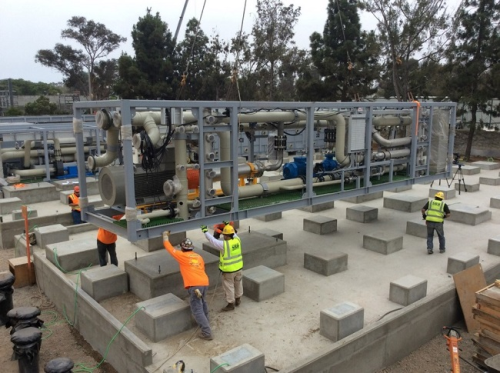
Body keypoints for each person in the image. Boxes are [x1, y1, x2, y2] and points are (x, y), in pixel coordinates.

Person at [162, 231, 213, 340]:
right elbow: (202, 268)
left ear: (182, 248)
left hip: (194, 286)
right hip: (204, 282)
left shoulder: (182, 255)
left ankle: (206, 332)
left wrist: (165, 235)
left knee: (197, 308)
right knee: (203, 303)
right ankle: (206, 322)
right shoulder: (198, 256)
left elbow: (169, 247)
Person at [201, 222, 243, 312]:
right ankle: (238, 299)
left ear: (227, 236)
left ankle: (231, 304)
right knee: (238, 283)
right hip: (239, 268)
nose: (223, 236)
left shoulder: (224, 245)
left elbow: (212, 240)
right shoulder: (237, 239)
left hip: (229, 271)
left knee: (229, 286)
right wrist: (228, 225)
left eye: (224, 235)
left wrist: (205, 231)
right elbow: (234, 233)